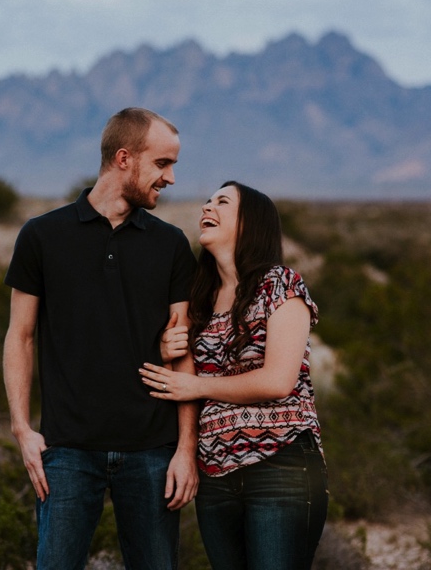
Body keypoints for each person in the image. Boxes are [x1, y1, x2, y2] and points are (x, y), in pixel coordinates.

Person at [2, 107, 200, 569]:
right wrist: (21, 428)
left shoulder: (170, 244)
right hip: (67, 449)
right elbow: (20, 336)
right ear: (125, 158)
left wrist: (185, 450)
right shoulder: (42, 236)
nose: (170, 178)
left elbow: (183, 351)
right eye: (163, 163)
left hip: (152, 450)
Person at [140, 180, 327, 570]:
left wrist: (196, 385)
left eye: (222, 202)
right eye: (208, 200)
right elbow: (181, 370)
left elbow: (277, 381)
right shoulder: (200, 299)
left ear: (249, 224)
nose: (207, 206)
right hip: (215, 473)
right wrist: (165, 351)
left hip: (280, 464)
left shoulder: (281, 284)